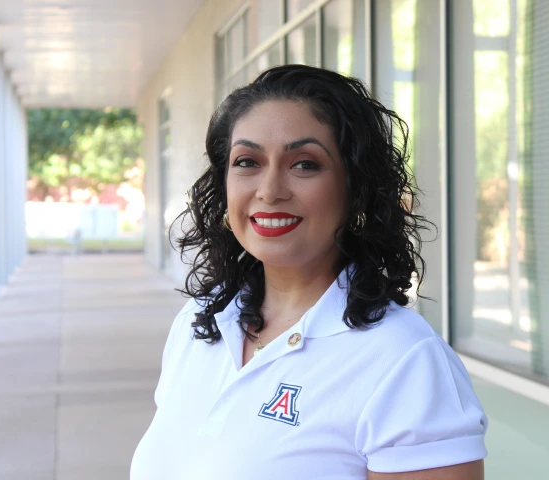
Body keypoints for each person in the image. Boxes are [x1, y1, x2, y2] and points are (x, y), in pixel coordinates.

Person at [130, 65, 487, 480]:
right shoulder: (199, 322)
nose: (270, 190)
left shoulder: (405, 360)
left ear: (356, 190)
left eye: (304, 164)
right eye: (248, 161)